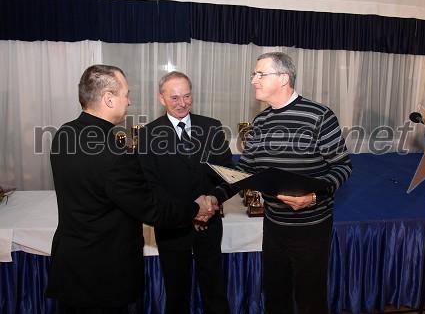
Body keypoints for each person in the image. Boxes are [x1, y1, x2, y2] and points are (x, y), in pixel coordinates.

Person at [46, 65, 216, 313]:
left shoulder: (64, 134)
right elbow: (152, 210)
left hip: (71, 266)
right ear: (108, 99)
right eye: (125, 94)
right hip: (104, 275)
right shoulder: (114, 154)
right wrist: (195, 208)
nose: (129, 101)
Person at [211, 52, 353, 314]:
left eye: (260, 74)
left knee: (310, 302)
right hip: (274, 227)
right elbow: (246, 170)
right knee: (276, 299)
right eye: (253, 74)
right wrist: (214, 197)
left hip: (311, 229)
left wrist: (313, 197)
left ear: (284, 77)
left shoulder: (318, 115)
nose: (253, 80)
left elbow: (342, 167)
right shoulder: (261, 121)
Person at [137, 71, 232, 314]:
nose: (182, 103)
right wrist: (190, 212)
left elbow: (229, 175)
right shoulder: (148, 134)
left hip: (209, 224)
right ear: (161, 98)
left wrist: (212, 201)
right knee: (176, 295)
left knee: (215, 293)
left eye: (187, 96)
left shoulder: (212, 127)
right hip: (172, 228)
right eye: (175, 98)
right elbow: (150, 185)